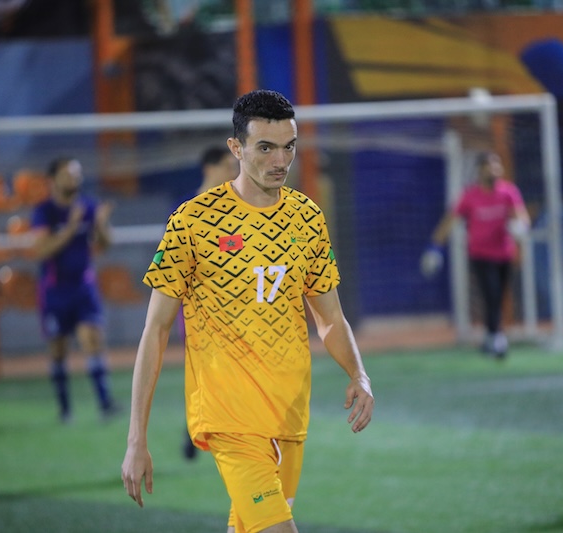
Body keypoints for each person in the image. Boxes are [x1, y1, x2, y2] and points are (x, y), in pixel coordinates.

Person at [121, 89, 375, 533]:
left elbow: (330, 318)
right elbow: (156, 329)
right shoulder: (193, 222)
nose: (281, 160)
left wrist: (359, 374)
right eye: (266, 148)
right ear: (236, 148)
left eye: (289, 147)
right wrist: (136, 438)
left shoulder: (307, 218)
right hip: (230, 418)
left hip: (289, 416)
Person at [30, 157, 119, 423]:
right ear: (53, 180)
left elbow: (106, 244)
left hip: (84, 287)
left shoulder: (88, 206)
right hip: (55, 290)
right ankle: (65, 409)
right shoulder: (44, 211)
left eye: (77, 175)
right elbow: (41, 250)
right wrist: (70, 227)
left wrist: (100, 224)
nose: (74, 180)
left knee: (92, 339)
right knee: (58, 349)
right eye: (68, 175)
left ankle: (105, 403)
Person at [420, 151, 530, 359]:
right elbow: (450, 220)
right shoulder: (470, 196)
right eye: (489, 167)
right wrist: (435, 246)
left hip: (504, 254)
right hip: (481, 255)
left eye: (496, 166)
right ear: (480, 171)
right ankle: (497, 338)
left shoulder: (509, 193)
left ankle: (490, 336)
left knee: (498, 296)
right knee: (491, 293)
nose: (493, 171)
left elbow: (522, 217)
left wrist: (521, 228)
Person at [180, 145, 239, 461]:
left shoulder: (234, 207)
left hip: (233, 307)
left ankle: (212, 428)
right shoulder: (186, 210)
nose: (233, 172)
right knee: (206, 372)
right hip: (196, 309)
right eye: (228, 166)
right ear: (209, 168)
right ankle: (196, 427)